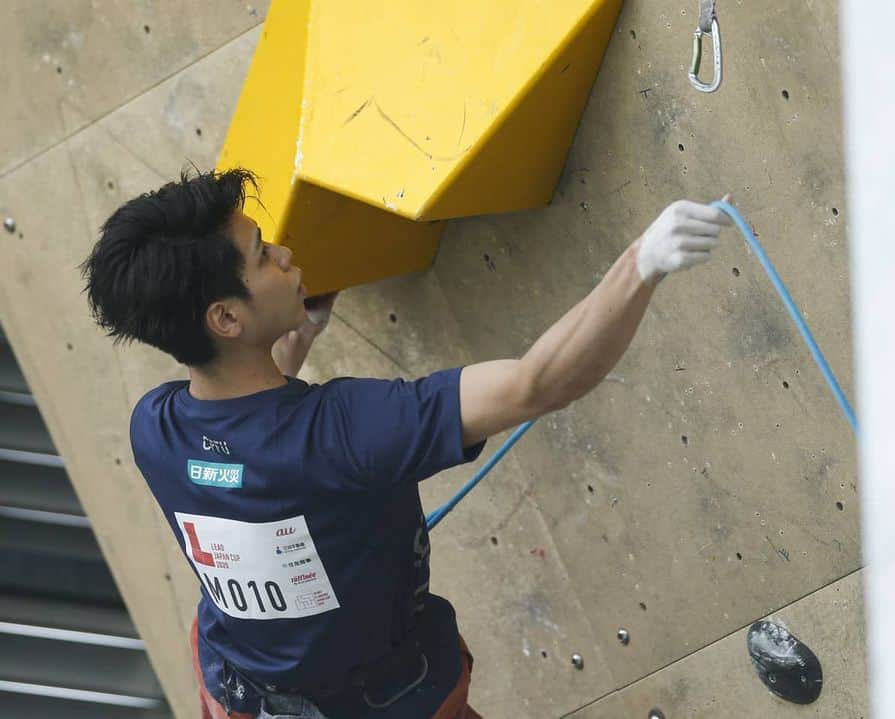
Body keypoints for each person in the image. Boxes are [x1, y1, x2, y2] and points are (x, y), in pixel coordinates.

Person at [80, 168, 732, 718]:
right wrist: (641, 262)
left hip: (237, 692)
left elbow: (250, 451)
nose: (281, 252)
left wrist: (294, 337)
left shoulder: (157, 430)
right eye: (260, 255)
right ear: (225, 318)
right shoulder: (346, 429)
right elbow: (537, 384)